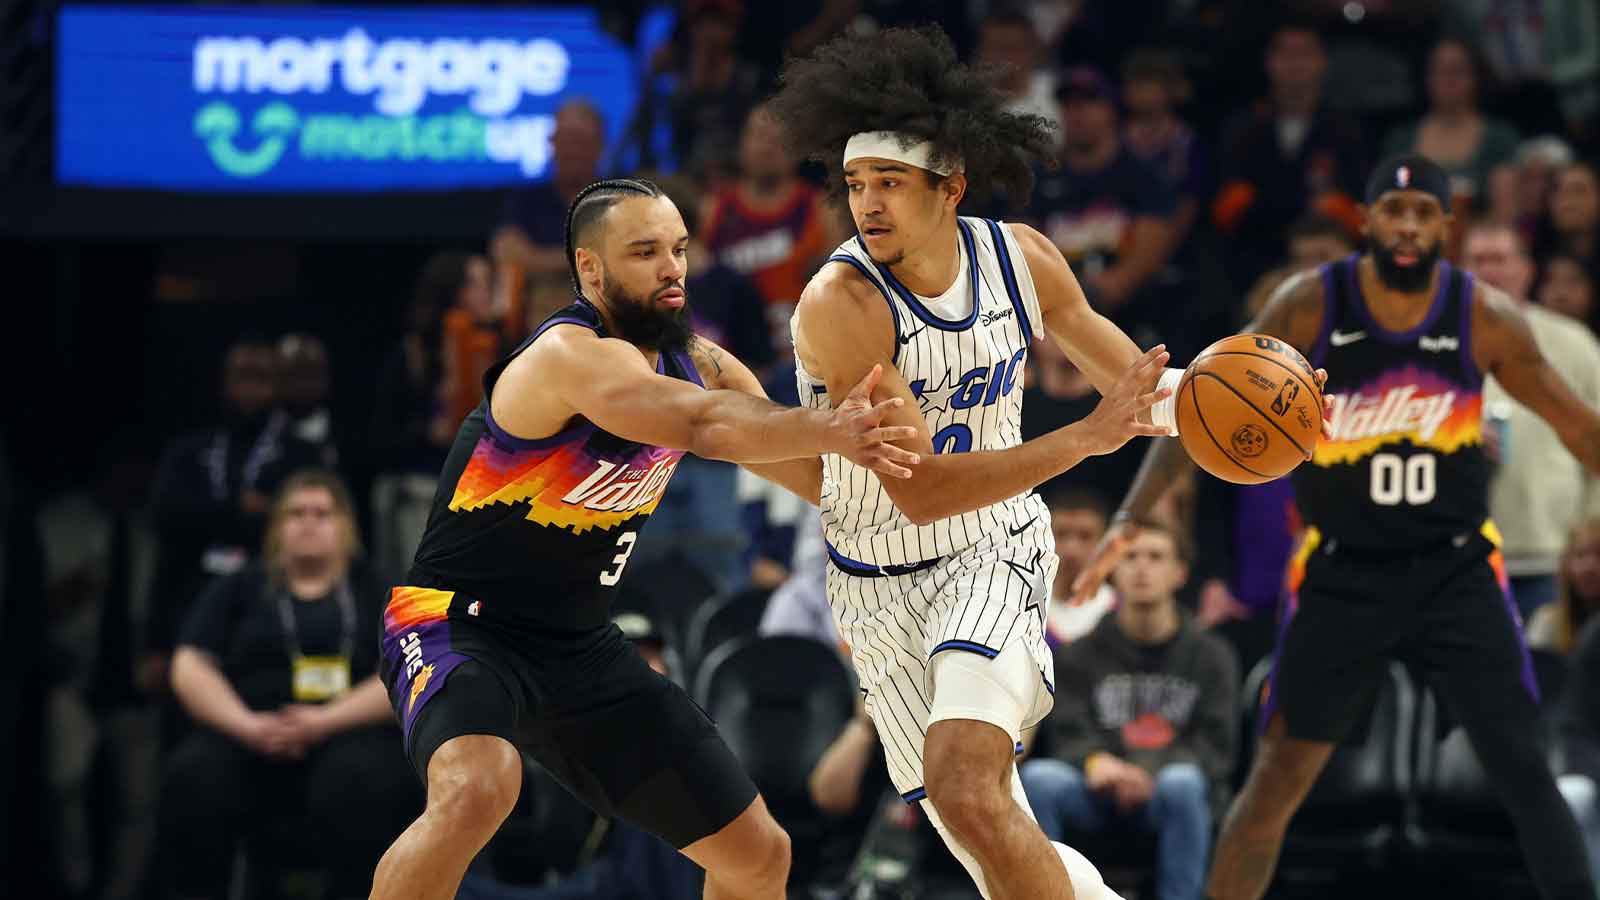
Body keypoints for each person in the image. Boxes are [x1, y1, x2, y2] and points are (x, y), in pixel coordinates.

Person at [369, 177, 924, 900]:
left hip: (577, 644)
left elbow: (819, 481)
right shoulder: (568, 357)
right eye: (645, 252)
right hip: (458, 625)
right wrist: (829, 424)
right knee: (479, 789)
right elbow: (700, 427)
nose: (672, 269)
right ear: (590, 269)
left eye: (680, 250)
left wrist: (930, 491)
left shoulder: (705, 364)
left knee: (758, 855)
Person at [1076, 154, 1600, 900]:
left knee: (1522, 767)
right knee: (1278, 778)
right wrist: (1129, 517)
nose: (1410, 226)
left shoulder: (1483, 315)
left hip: (1455, 570)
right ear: (1368, 218)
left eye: (1425, 211)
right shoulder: (1310, 304)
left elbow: (1578, 425)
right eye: (1395, 210)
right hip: (1342, 571)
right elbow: (1201, 408)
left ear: (1446, 227)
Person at [770, 24, 1190, 900]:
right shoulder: (843, 304)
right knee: (988, 831)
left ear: (950, 185)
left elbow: (1136, 383)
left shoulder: (1021, 257)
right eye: (855, 184)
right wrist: (1082, 439)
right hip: (875, 579)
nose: (869, 203)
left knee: (968, 784)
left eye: (890, 182)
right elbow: (917, 492)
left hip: (991, 551)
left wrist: (1282, 408)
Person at [159, 470, 418, 899]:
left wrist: (323, 722)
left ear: (346, 526)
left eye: (323, 512)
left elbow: (411, 669)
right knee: (193, 776)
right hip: (248, 730)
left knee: (360, 784)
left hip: (351, 733)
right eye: (295, 513)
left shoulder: (379, 587)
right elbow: (189, 663)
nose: (309, 522)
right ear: (277, 527)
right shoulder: (239, 585)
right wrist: (246, 726)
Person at [1022, 519, 1240, 900]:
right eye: (1130, 557)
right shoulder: (1080, 653)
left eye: (1156, 557)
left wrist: (1146, 773)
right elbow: (1067, 733)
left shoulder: (1212, 656)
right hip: (1098, 794)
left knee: (1184, 784)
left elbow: (1216, 749)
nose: (1142, 568)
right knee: (1041, 778)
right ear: (1112, 570)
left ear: (1180, 573)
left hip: (1171, 794)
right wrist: (1095, 763)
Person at [1464, 223, 1600, 615]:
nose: (1489, 271)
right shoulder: (1431, 350)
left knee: (1554, 672)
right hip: (1466, 559)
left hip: (1558, 557)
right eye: (1478, 261)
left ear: (1525, 270)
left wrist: (1589, 538)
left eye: (1500, 260)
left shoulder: (1573, 342)